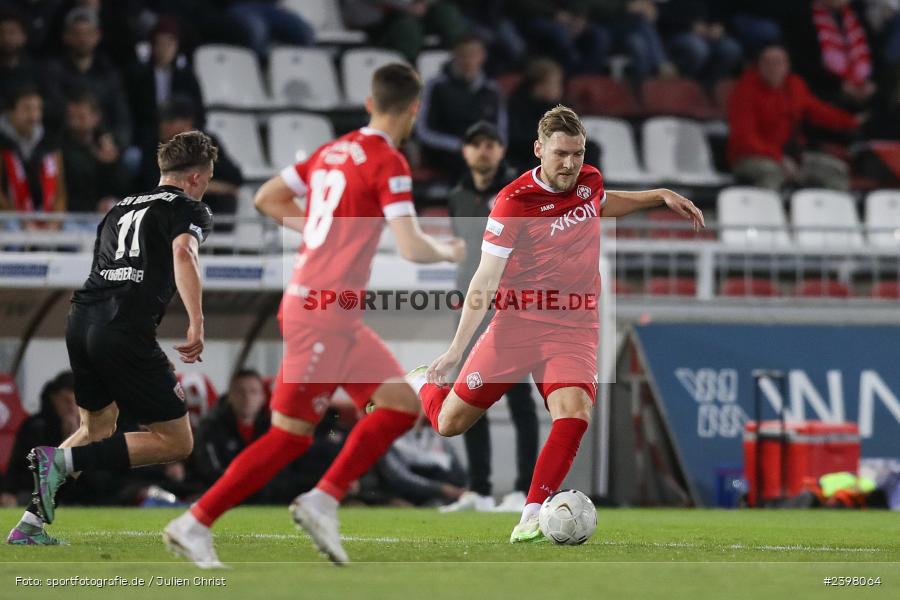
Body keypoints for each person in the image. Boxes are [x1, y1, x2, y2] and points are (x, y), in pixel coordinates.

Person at [163, 63, 465, 567]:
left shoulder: (332, 149)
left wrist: (319, 233)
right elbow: (412, 248)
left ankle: (323, 499)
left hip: (328, 310)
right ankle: (195, 523)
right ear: (415, 109)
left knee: (397, 406)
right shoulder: (388, 160)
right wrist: (452, 251)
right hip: (323, 311)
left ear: (370, 103)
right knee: (288, 438)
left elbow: (266, 197)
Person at [412, 105, 704, 543]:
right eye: (560, 154)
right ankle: (423, 384)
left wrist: (657, 194)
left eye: (577, 153)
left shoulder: (589, 180)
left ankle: (532, 514)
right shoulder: (513, 202)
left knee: (575, 412)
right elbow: (486, 277)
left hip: (574, 325)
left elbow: (603, 203)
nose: (570, 164)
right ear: (538, 150)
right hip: (516, 325)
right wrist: (455, 351)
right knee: (450, 423)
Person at [6, 130, 216, 545]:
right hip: (122, 328)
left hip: (81, 320)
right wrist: (197, 321)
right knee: (176, 442)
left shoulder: (119, 209)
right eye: (207, 177)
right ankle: (59, 460)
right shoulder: (191, 208)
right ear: (195, 177)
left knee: (97, 427)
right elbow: (183, 253)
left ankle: (30, 523)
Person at [441, 121, 537, 514]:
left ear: (501, 150)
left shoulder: (517, 193)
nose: (484, 150)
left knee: (519, 400)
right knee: (469, 396)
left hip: (512, 309)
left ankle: (524, 490)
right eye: (476, 144)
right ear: (466, 151)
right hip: (471, 308)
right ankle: (477, 491)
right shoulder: (457, 196)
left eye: (491, 144)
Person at [728, 45, 862, 191]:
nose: (773, 68)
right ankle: (767, 212)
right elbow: (745, 139)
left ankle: (833, 212)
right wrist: (778, 157)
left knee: (836, 170)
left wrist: (851, 122)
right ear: (759, 65)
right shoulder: (745, 91)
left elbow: (818, 111)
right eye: (768, 63)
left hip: (791, 156)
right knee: (771, 172)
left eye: (779, 63)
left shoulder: (794, 85)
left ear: (787, 65)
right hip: (750, 157)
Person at [137, 97, 242, 232]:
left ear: (188, 122)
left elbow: (235, 177)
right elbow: (152, 184)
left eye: (170, 121)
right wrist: (207, 186)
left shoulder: (205, 143)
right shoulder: (154, 146)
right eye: (162, 121)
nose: (164, 126)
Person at [416, 34, 507, 178]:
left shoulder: (492, 90)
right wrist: (459, 145)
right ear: (454, 56)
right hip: (445, 151)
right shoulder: (436, 86)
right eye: (463, 54)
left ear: (482, 56)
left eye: (473, 54)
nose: (468, 60)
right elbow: (423, 130)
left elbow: (500, 130)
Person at [45, 7, 132, 147]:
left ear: (98, 36)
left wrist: (116, 142)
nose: (83, 39)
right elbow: (54, 111)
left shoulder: (109, 72)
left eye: (88, 33)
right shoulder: (53, 71)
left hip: (104, 142)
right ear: (66, 36)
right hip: (65, 144)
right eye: (77, 33)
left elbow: (122, 117)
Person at [127, 17, 205, 149]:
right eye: (160, 43)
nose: (164, 49)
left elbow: (199, 114)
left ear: (177, 46)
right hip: (146, 139)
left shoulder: (186, 77)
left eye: (169, 44)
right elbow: (132, 114)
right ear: (152, 45)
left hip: (181, 139)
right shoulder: (138, 76)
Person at [0, 85, 66, 227]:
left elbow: (60, 192)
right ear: (11, 112)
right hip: (9, 220)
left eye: (37, 109)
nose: (33, 116)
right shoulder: (2, 143)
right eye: (26, 109)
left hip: (45, 219)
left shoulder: (50, 143)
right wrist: (22, 222)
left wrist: (54, 224)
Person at [192, 370, 270, 488]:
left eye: (253, 392)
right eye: (240, 392)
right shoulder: (210, 428)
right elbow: (210, 471)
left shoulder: (272, 429)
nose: (247, 397)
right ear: (230, 396)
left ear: (263, 397)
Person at [60, 90, 129, 214]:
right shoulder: (62, 149)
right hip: (74, 216)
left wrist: (110, 163)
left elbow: (122, 187)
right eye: (71, 117)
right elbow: (69, 192)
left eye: (81, 117)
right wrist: (94, 206)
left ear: (95, 117)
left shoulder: (107, 144)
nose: (74, 123)